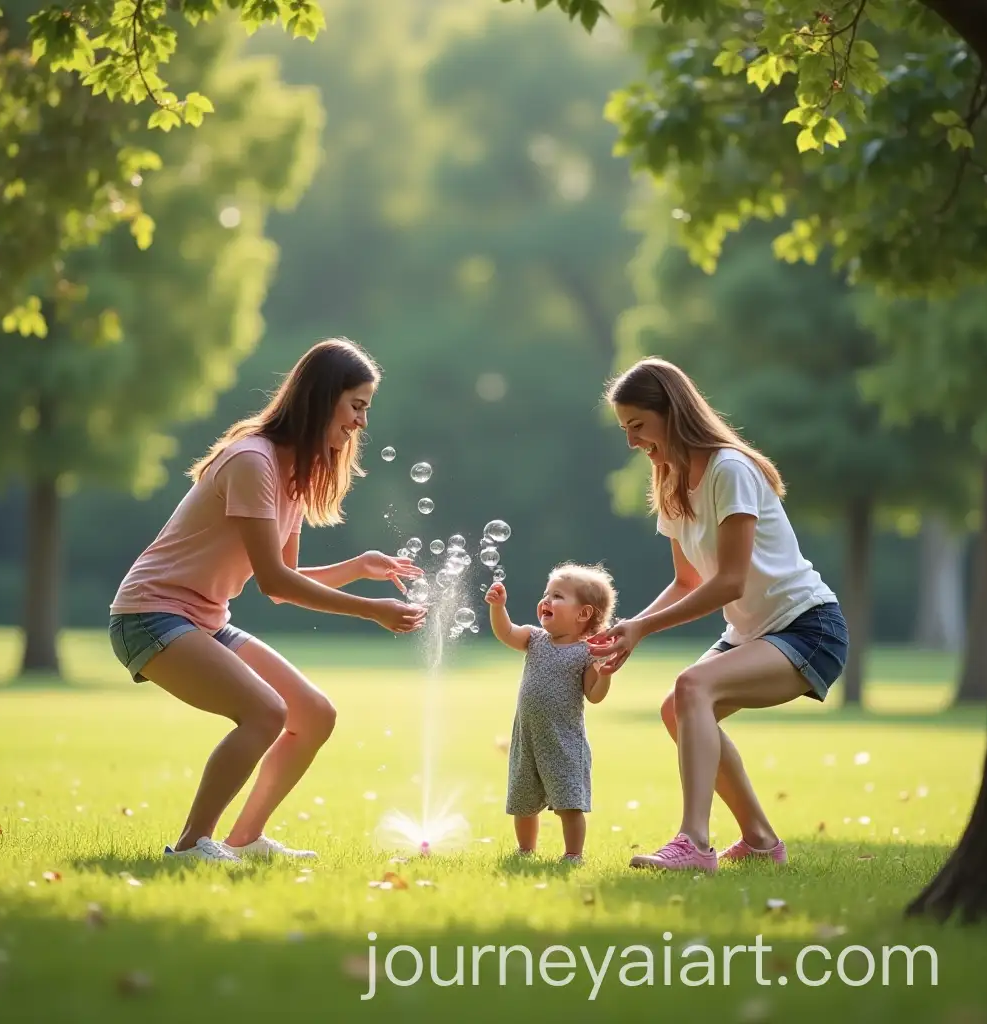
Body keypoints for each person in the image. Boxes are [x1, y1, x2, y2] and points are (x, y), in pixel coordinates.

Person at [109, 339, 426, 863]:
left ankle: (245, 841)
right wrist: (373, 610)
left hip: (203, 619)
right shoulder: (252, 461)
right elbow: (277, 583)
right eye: (357, 406)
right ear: (323, 398)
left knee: (314, 714)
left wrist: (357, 568)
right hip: (150, 615)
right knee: (265, 713)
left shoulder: (292, 472)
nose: (361, 423)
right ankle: (190, 847)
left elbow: (280, 578)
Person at [588, 357, 848, 873]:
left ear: (672, 412)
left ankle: (694, 843)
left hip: (808, 626)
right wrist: (631, 631)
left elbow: (727, 580)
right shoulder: (669, 479)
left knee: (692, 689)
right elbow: (688, 581)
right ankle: (758, 839)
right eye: (625, 429)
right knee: (676, 708)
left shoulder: (729, 469)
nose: (632, 441)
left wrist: (642, 627)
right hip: (754, 631)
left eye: (638, 425)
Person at [485, 563, 617, 862]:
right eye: (546, 594)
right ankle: (525, 850)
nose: (546, 601)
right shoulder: (534, 639)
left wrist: (605, 673)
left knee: (569, 802)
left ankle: (573, 854)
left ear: (583, 614)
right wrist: (498, 607)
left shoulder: (586, 653)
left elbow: (594, 696)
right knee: (523, 800)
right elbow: (505, 632)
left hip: (563, 741)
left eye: (557, 596)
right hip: (528, 738)